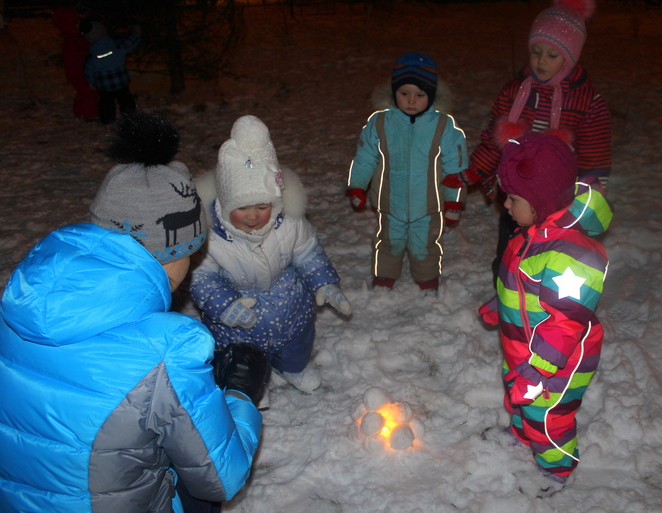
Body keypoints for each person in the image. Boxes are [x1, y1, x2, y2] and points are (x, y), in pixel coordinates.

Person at [0, 112, 267, 513]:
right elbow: (222, 476)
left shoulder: (18, 303)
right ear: (175, 253)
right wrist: (239, 393)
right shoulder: (166, 351)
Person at [443, 0, 611, 283]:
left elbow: (594, 152)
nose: (541, 61)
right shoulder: (515, 91)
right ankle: (506, 290)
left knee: (549, 255)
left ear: (570, 57)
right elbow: (494, 140)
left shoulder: (585, 101)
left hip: (556, 202)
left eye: (552, 55)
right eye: (536, 52)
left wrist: (592, 193)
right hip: (515, 196)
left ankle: (542, 296)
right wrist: (476, 170)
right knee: (509, 252)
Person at [478, 133, 612, 486]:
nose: (506, 205)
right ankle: (522, 436)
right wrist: (501, 305)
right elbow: (523, 286)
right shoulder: (531, 235)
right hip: (523, 345)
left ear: (542, 201)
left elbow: (567, 322)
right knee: (519, 397)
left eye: (514, 198)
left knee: (547, 416)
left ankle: (555, 470)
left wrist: (540, 370)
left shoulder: (572, 255)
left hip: (558, 360)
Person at [190, 115, 351, 406]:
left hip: (288, 302)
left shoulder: (290, 224)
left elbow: (308, 253)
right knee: (245, 355)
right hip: (240, 313)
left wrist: (324, 283)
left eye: (262, 206)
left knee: (297, 343)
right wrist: (226, 306)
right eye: (242, 208)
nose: (252, 216)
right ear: (224, 204)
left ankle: (293, 368)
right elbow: (201, 277)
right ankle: (252, 383)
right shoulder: (210, 238)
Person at [346, 52, 468, 293]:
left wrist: (454, 202)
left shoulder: (443, 126)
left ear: (431, 95)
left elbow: (456, 167)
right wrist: (357, 185)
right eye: (404, 93)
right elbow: (365, 158)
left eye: (420, 95)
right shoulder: (380, 123)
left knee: (425, 243)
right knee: (388, 241)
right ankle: (384, 275)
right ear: (394, 92)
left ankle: (427, 278)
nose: (411, 100)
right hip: (390, 203)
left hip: (427, 205)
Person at [82, 17, 141, 124]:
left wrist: (91, 82)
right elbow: (130, 42)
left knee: (106, 103)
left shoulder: (91, 55)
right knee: (125, 100)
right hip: (121, 82)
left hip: (104, 86)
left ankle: (107, 120)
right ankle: (130, 117)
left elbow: (88, 70)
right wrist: (136, 32)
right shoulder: (116, 46)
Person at [52, 5, 99, 121]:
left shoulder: (70, 36)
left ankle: (79, 111)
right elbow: (83, 51)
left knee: (82, 91)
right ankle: (90, 114)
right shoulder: (75, 38)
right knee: (89, 91)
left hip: (74, 71)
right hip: (80, 71)